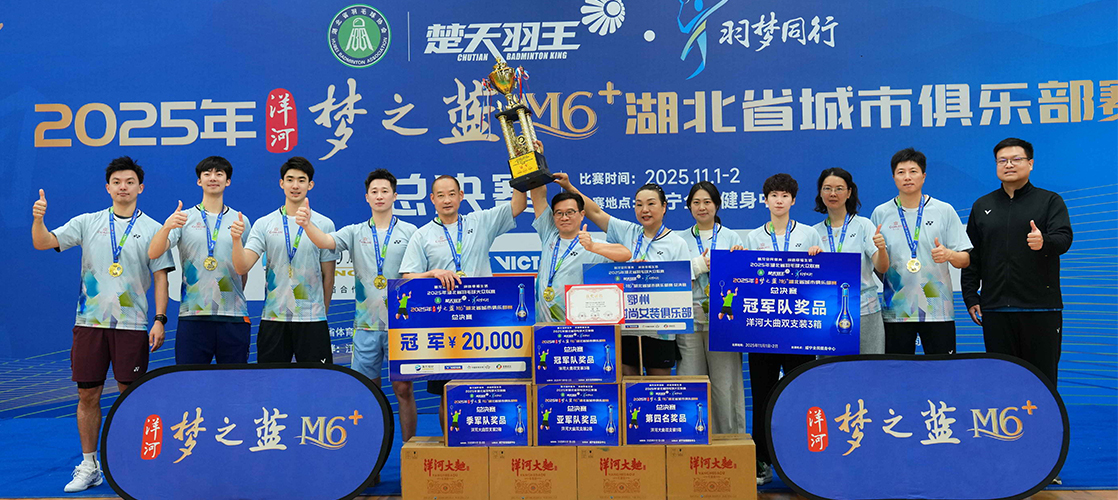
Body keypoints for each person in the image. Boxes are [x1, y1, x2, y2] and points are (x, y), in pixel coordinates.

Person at [31, 157, 174, 493]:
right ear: (107, 187)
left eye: (129, 182)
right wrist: (38, 220)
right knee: (87, 393)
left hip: (132, 325)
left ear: (140, 187)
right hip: (89, 323)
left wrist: (159, 318)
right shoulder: (87, 222)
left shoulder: (154, 229)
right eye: (117, 182)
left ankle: (136, 463)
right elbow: (43, 242)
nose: (123, 187)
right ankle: (89, 464)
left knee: (131, 394)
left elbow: (161, 279)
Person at [294, 168, 420, 444]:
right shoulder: (355, 231)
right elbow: (326, 242)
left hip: (402, 326)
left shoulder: (411, 232)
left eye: (385, 191)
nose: (379, 196)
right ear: (366, 197)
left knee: (403, 388)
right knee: (368, 393)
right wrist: (307, 224)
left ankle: (409, 451)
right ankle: (372, 454)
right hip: (365, 326)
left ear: (395, 195)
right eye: (374, 191)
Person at [399, 172, 530, 426]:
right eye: (441, 195)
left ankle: (481, 444)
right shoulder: (422, 235)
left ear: (461, 196)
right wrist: (432, 273)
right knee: (447, 393)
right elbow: (407, 277)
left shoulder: (480, 221)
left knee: (483, 389)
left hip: (482, 323)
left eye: (452, 194)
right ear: (432, 199)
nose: (447, 200)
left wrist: (521, 169)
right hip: (444, 327)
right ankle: (449, 443)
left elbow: (518, 205)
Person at [961, 138, 1072, 386]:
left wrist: (1044, 241)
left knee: (1042, 381)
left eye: (1016, 159)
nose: (1008, 165)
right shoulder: (982, 205)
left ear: (1030, 164)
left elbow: (1064, 239)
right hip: (996, 309)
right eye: (1002, 160)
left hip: (1040, 308)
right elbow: (971, 255)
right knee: (1002, 382)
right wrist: (970, 296)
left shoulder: (1049, 201)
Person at [559, 176, 693, 376]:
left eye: (651, 204)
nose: (644, 210)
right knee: (629, 386)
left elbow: (685, 287)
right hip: (626, 327)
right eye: (639, 205)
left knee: (659, 387)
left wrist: (652, 277)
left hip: (660, 330)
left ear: (664, 207)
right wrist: (568, 187)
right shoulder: (627, 231)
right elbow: (596, 212)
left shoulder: (676, 243)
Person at [743, 173, 823, 485]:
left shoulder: (809, 234)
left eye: (785, 196)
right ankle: (761, 462)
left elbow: (822, 278)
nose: (779, 200)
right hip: (764, 329)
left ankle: (803, 462)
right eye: (774, 195)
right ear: (765, 201)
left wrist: (819, 259)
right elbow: (745, 279)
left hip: (800, 328)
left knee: (802, 393)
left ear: (793, 200)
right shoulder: (752, 238)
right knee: (762, 395)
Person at [230, 156, 337, 363]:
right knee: (271, 379)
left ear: (310, 185)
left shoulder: (324, 224)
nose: (295, 185)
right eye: (290, 180)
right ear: (281, 183)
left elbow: (329, 276)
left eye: (301, 180)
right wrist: (236, 240)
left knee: (317, 378)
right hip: (274, 318)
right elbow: (242, 267)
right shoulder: (264, 224)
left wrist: (320, 314)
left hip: (312, 320)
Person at [148, 156, 251, 364]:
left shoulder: (240, 221)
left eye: (219, 174)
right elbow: (153, 253)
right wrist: (167, 226)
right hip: (193, 316)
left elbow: (244, 269)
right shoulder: (184, 218)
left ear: (227, 181)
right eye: (207, 174)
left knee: (235, 380)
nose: (213, 178)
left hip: (234, 317)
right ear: (199, 181)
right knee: (189, 380)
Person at [870, 148, 971, 355]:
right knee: (896, 370)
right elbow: (876, 266)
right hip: (896, 311)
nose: (907, 177)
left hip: (938, 310)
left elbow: (965, 259)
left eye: (913, 171)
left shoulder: (944, 210)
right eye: (901, 172)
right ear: (893, 177)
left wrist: (949, 255)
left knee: (942, 369)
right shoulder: (881, 213)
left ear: (923, 176)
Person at [678, 181, 747, 435]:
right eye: (696, 202)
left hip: (724, 322)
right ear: (689, 207)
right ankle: (691, 440)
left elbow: (742, 279)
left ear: (717, 205)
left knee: (725, 386)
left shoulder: (731, 237)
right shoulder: (679, 239)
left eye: (707, 202)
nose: (702, 207)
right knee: (690, 381)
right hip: (689, 319)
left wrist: (739, 259)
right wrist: (698, 266)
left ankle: (730, 441)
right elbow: (675, 278)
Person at [812, 168, 889, 354]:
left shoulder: (864, 225)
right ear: (820, 192)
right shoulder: (813, 232)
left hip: (865, 309)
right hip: (827, 311)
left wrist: (881, 249)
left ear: (849, 193)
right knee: (830, 367)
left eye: (839, 188)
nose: (833, 193)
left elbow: (882, 267)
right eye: (827, 188)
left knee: (869, 366)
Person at [530, 184, 631, 322]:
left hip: (577, 325)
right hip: (544, 325)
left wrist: (593, 246)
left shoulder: (591, 245)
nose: (564, 217)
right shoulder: (549, 234)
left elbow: (625, 254)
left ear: (582, 215)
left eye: (570, 212)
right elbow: (538, 196)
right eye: (559, 213)